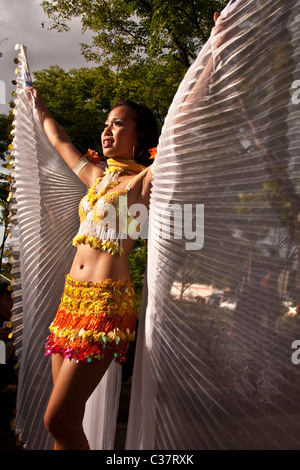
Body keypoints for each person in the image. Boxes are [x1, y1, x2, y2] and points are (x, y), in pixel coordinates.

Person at [27, 87, 159, 450]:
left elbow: (183, 128)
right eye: (105, 124)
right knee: (65, 425)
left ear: (140, 136)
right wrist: (39, 108)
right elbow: (60, 140)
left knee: (57, 419)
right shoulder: (96, 178)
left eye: (118, 124)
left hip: (106, 305)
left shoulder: (143, 182)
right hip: (71, 303)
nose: (106, 131)